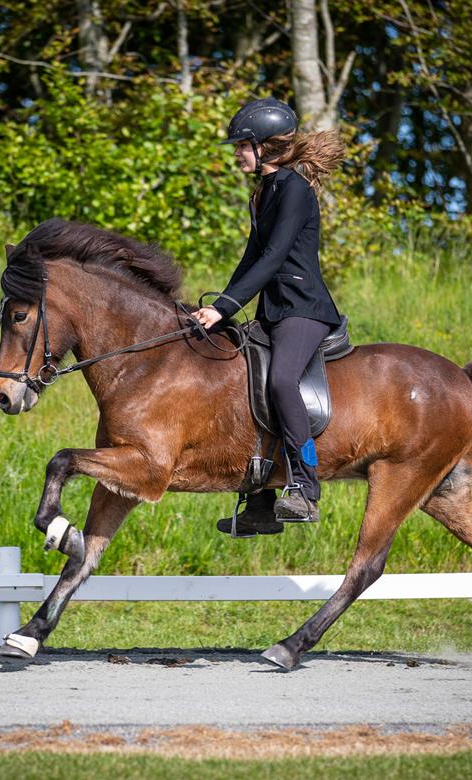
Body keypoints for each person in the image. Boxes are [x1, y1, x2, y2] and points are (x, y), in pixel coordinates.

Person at [190, 98, 345, 535]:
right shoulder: (263, 193)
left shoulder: (294, 189)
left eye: (243, 146)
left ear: (265, 147)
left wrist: (225, 307)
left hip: (304, 309)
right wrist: (220, 306)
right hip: (272, 311)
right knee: (241, 381)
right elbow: (251, 258)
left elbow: (274, 258)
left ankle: (305, 488)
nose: (237, 154)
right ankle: (260, 501)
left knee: (280, 381)